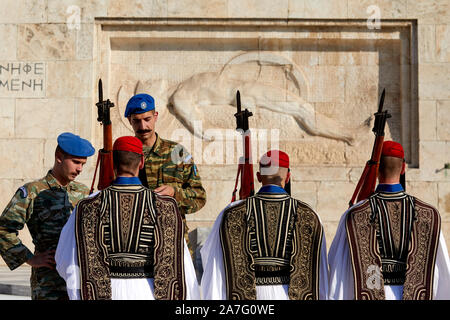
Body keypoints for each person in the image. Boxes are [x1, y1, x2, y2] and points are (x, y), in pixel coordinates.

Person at [55, 136, 200, 300]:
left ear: (112, 164)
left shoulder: (87, 206)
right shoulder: (166, 206)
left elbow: (64, 261)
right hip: (149, 292)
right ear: (142, 162)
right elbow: (183, 266)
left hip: (105, 292)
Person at [328, 141, 450, 300]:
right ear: (404, 167)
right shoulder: (428, 214)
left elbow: (337, 267)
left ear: (376, 168)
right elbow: (443, 271)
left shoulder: (354, 214)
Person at [200, 150, 328, 300]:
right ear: (288, 177)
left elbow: (213, 263)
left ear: (259, 177)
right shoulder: (309, 214)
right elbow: (320, 269)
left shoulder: (232, 212)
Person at [0, 132, 95, 300]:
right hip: (48, 285)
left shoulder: (83, 192)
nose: (80, 169)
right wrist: (30, 258)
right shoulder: (33, 191)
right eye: (76, 162)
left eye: (83, 164)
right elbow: (4, 229)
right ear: (59, 157)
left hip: (79, 281)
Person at [124, 93, 206, 249]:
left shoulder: (177, 153)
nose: (143, 127)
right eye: (136, 121)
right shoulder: (123, 154)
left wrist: (174, 193)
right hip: (133, 242)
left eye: (147, 119)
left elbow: (199, 197)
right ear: (129, 120)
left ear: (155, 116)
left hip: (172, 240)